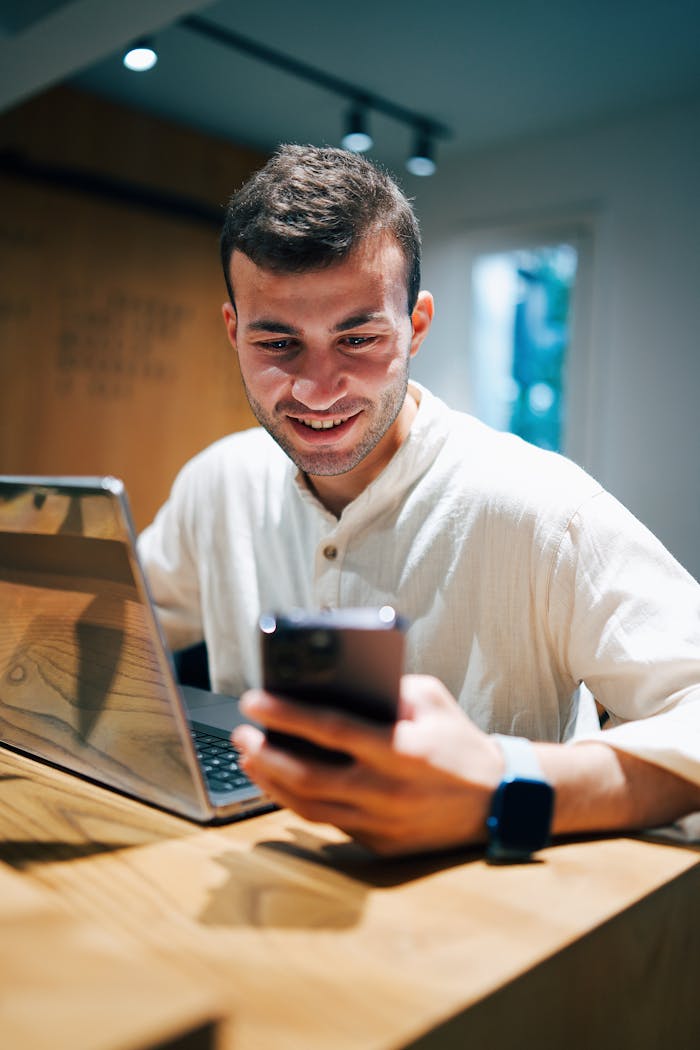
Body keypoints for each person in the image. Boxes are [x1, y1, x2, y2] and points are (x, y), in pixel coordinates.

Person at [138, 144, 700, 857]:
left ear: (417, 324)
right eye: (278, 342)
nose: (317, 388)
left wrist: (503, 783)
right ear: (233, 332)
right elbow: (108, 629)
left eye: (359, 337)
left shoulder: (544, 507)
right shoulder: (216, 484)